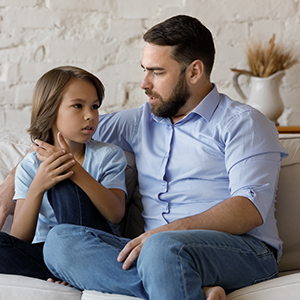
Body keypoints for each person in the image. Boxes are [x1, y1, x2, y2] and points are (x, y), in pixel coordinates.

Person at [0, 15, 288, 300]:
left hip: (242, 251)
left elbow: (249, 208)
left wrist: (164, 234)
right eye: (144, 70)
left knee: (163, 248)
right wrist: (11, 185)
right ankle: (187, 288)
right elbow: (61, 133)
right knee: (59, 243)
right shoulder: (139, 121)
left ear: (194, 72)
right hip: (152, 252)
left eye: (157, 72)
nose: (143, 83)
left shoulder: (244, 123)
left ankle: (170, 275)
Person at [0, 66, 127, 280]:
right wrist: (38, 186)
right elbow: (21, 238)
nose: (90, 115)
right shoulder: (30, 166)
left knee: (63, 181)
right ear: (50, 110)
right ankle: (67, 274)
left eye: (95, 106)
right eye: (78, 106)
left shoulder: (109, 155)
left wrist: (75, 170)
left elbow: (116, 214)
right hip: (47, 253)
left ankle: (73, 268)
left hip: (95, 249)